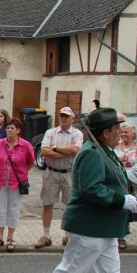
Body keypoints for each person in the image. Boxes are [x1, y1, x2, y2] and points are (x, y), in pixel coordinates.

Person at [31, 108, 137, 273]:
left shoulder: (103, 150)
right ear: (105, 133)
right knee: (70, 270)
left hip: (104, 228)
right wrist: (121, 200)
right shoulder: (92, 153)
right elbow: (91, 189)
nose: (120, 132)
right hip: (89, 227)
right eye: (116, 128)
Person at [36, 106, 83, 249]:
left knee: (70, 205)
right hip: (51, 172)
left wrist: (55, 148)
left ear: (72, 118)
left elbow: (75, 149)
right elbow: (44, 151)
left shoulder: (77, 133)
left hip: (69, 173)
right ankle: (46, 236)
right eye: (62, 115)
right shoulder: (50, 132)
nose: (63, 118)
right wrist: (64, 152)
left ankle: (67, 236)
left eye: (66, 116)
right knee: (47, 203)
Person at [0, 119, 35, 252]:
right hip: (0, 181)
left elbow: (31, 162)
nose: (9, 130)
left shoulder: (25, 145)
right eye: (7, 128)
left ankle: (10, 237)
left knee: (14, 209)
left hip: (17, 182)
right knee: (0, 209)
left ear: (18, 130)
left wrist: (22, 173)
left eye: (12, 128)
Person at [114, 123, 137, 249]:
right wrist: (125, 161)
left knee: (126, 209)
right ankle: (119, 236)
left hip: (132, 184)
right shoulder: (115, 145)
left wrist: (122, 160)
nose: (123, 134)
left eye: (126, 132)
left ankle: (122, 234)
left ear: (133, 134)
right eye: (122, 132)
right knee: (118, 208)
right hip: (117, 181)